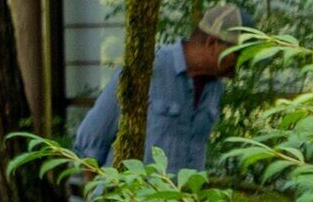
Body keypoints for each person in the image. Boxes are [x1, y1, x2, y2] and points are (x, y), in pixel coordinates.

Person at [71, 23, 232, 176]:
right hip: (129, 201)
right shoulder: (147, 67)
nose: (243, 62)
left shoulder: (215, 86)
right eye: (238, 52)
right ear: (213, 44)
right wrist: (92, 198)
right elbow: (92, 138)